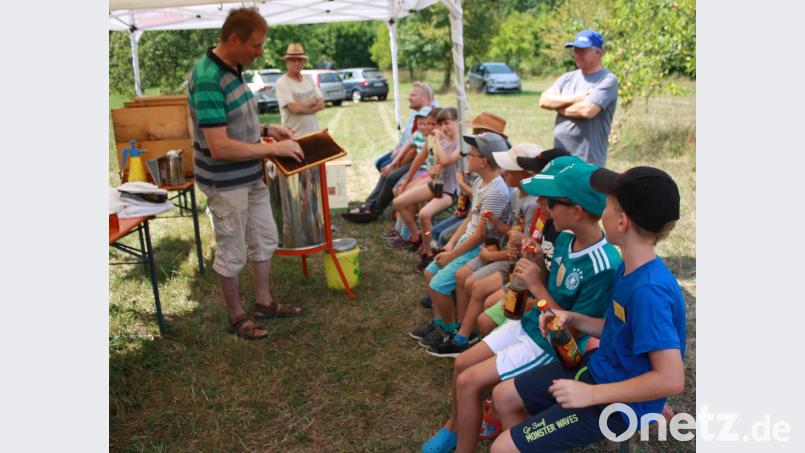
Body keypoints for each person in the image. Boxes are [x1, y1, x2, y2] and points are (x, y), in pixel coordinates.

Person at [419, 156, 622, 453]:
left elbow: (573, 332)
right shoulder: (566, 239)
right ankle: (456, 426)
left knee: (469, 381)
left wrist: (536, 285)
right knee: (462, 363)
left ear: (577, 212)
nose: (542, 204)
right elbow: (551, 288)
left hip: (548, 345)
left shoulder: (604, 265)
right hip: (530, 325)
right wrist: (537, 263)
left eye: (550, 202)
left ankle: (464, 444)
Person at [490, 166, 685, 453]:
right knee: (503, 395)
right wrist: (575, 319)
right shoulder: (630, 268)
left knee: (502, 448)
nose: (601, 211)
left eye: (606, 204)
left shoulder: (648, 291)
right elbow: (621, 333)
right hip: (599, 370)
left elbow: (671, 379)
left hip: (619, 405)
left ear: (621, 222)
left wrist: (591, 394)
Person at [187, 7, 305, 340]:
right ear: (234, 39)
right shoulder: (208, 77)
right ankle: (238, 317)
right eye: (255, 45)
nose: (259, 52)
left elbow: (234, 122)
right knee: (232, 250)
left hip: (249, 176)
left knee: (265, 237)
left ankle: (264, 302)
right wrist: (271, 149)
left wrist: (268, 128)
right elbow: (220, 147)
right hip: (225, 183)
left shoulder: (233, 67)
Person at [410, 132, 511, 350]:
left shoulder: (495, 190)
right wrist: (450, 243)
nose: (466, 156)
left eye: (470, 153)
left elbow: (481, 236)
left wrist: (452, 255)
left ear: (483, 161)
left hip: (478, 248)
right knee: (429, 273)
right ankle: (441, 324)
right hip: (465, 243)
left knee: (438, 285)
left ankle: (451, 329)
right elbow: (470, 217)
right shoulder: (480, 181)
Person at [342, 82, 436, 223]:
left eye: (412, 95)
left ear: (423, 97)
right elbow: (409, 139)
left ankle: (373, 210)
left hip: (417, 162)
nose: (408, 97)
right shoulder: (418, 114)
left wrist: (395, 163)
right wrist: (396, 153)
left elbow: (415, 151)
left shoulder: (428, 116)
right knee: (382, 165)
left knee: (391, 175)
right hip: (405, 156)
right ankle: (369, 205)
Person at [389, 108, 461, 266]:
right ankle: (417, 237)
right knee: (398, 201)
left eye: (447, 123)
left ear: (457, 122)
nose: (443, 127)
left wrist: (437, 141)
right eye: (441, 124)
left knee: (424, 214)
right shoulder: (439, 139)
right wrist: (429, 173)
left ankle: (429, 251)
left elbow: (446, 160)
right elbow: (434, 166)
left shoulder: (461, 144)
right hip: (436, 184)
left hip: (451, 191)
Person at [539, 30, 618, 167]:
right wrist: (575, 99)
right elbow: (544, 101)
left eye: (582, 51)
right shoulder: (567, 78)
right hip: (559, 160)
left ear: (597, 53)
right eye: (575, 51)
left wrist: (558, 106)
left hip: (587, 162)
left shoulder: (607, 80)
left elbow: (587, 111)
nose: (577, 55)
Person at [275, 43, 325, 136]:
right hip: (294, 137)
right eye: (293, 60)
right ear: (287, 62)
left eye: (300, 60)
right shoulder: (282, 82)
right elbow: (294, 108)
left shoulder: (309, 79)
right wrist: (312, 103)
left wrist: (300, 105)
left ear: (304, 62)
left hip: (314, 134)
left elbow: (321, 104)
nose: (297, 63)